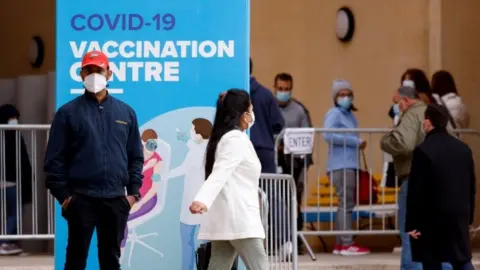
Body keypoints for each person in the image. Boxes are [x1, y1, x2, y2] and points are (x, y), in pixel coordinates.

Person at [44, 51, 144, 270]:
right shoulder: (68, 113)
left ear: (109, 73)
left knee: (110, 259)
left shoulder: (126, 113)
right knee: (75, 260)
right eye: (88, 70)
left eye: (98, 70)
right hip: (81, 200)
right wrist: (65, 197)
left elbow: (135, 156)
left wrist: (132, 194)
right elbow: (54, 159)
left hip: (115, 199)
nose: (93, 75)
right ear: (81, 74)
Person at [189, 89, 268, 270]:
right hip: (240, 218)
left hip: (227, 218)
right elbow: (220, 173)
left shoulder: (226, 138)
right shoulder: (235, 139)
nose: (252, 113)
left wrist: (203, 199)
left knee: (219, 265)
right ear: (243, 115)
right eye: (250, 108)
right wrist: (202, 199)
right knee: (260, 266)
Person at [406, 104, 475, 270]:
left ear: (428, 123)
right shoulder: (463, 149)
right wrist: (469, 216)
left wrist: (412, 224)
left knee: (431, 260)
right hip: (458, 214)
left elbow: (416, 191)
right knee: (461, 259)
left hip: (430, 218)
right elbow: (471, 186)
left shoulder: (423, 151)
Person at [380, 85, 426, 270]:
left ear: (405, 100)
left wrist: (385, 140)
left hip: (414, 177)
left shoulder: (411, 115)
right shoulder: (432, 112)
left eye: (396, 102)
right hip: (437, 180)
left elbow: (404, 143)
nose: (396, 107)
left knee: (409, 230)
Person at [324, 80, 370, 256]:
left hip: (349, 164)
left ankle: (340, 243)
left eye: (348, 94)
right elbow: (328, 135)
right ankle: (347, 243)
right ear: (335, 97)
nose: (346, 97)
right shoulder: (334, 114)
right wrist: (355, 142)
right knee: (346, 204)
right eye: (341, 94)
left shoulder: (350, 116)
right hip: (341, 164)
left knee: (345, 203)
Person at [249, 58, 287, 254]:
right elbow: (278, 124)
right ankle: (281, 242)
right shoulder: (265, 94)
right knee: (272, 194)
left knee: (240, 196)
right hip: (263, 149)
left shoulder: (232, 94)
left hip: (240, 150)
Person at [273, 72, 313, 254]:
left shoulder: (299, 110)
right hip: (274, 162)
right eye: (280, 89)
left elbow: (307, 136)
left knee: (294, 202)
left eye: (286, 89)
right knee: (274, 202)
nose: (283, 92)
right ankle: (277, 242)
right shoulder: (269, 107)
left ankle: (296, 241)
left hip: (296, 164)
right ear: (275, 88)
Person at [170, 118, 212, 270]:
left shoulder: (197, 151)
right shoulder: (208, 148)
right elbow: (196, 150)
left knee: (188, 242)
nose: (191, 131)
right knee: (207, 243)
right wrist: (187, 140)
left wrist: (162, 176)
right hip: (206, 204)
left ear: (200, 133)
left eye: (192, 129)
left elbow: (183, 168)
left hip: (192, 204)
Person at [120, 129, 163, 256]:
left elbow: (155, 187)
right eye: (150, 143)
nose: (153, 147)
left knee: (121, 218)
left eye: (155, 143)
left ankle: (119, 254)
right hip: (129, 197)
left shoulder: (158, 161)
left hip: (147, 200)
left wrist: (141, 203)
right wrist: (145, 167)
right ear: (142, 142)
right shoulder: (133, 156)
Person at [0, 104, 32, 255]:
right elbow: (22, 161)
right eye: (12, 118)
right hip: (12, 181)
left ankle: (10, 243)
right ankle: (5, 242)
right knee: (16, 212)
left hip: (8, 181)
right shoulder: (13, 136)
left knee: (10, 213)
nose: (15, 121)